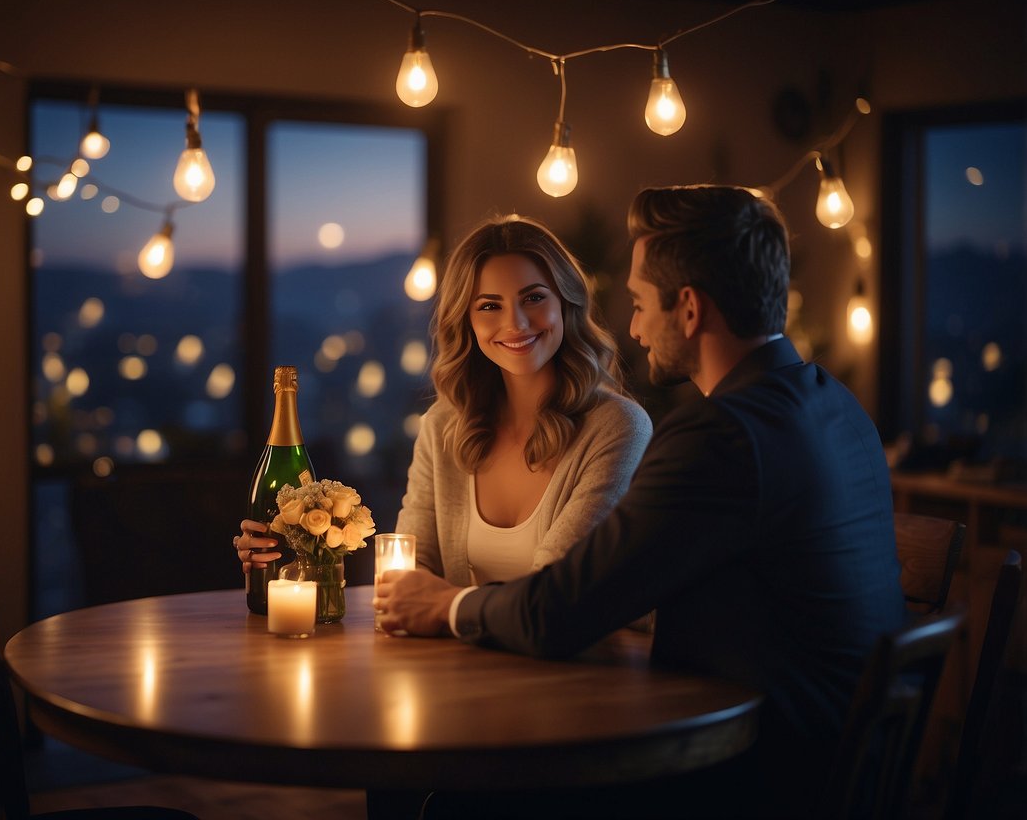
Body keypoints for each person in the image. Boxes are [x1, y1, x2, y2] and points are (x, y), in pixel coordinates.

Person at [376, 185, 906, 818]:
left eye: (639, 303)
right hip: (836, 756)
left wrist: (447, 604)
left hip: (756, 775)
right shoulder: (832, 404)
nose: (631, 326)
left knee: (454, 804)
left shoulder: (721, 437)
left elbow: (562, 609)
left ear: (688, 309)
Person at [235, 214, 652, 588]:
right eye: (490, 305)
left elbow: (554, 590)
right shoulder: (444, 427)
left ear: (567, 303)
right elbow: (409, 569)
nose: (516, 323)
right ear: (466, 322)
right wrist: (298, 559)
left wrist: (442, 607)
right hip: (458, 667)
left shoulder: (618, 426)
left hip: (577, 672)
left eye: (534, 297)